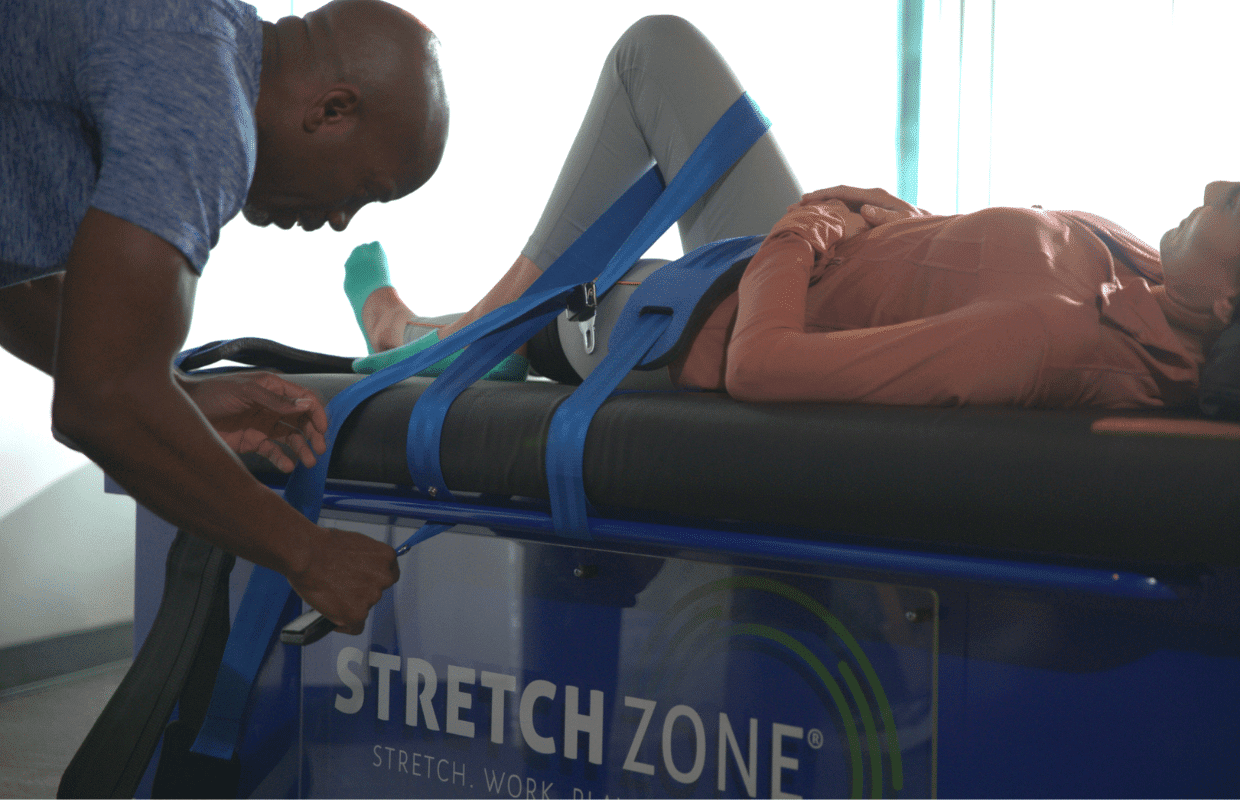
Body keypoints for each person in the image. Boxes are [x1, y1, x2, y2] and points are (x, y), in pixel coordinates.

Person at [347, 15, 1239, 411]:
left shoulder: (1059, 335)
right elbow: (942, 268)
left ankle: (434, 340)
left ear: (1233, 309)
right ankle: (442, 331)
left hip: (717, 315)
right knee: (656, 52)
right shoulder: (1140, 267)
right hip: (799, 252)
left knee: (559, 320)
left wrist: (806, 228)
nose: (1213, 188)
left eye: (1237, 207)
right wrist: (877, 216)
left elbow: (764, 368)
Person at [0, 0, 449, 633]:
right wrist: (308, 553)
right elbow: (101, 400)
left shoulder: (186, 35)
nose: (343, 219)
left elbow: (10, 281)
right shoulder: (203, 101)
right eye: (365, 191)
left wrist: (180, 393)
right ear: (331, 111)